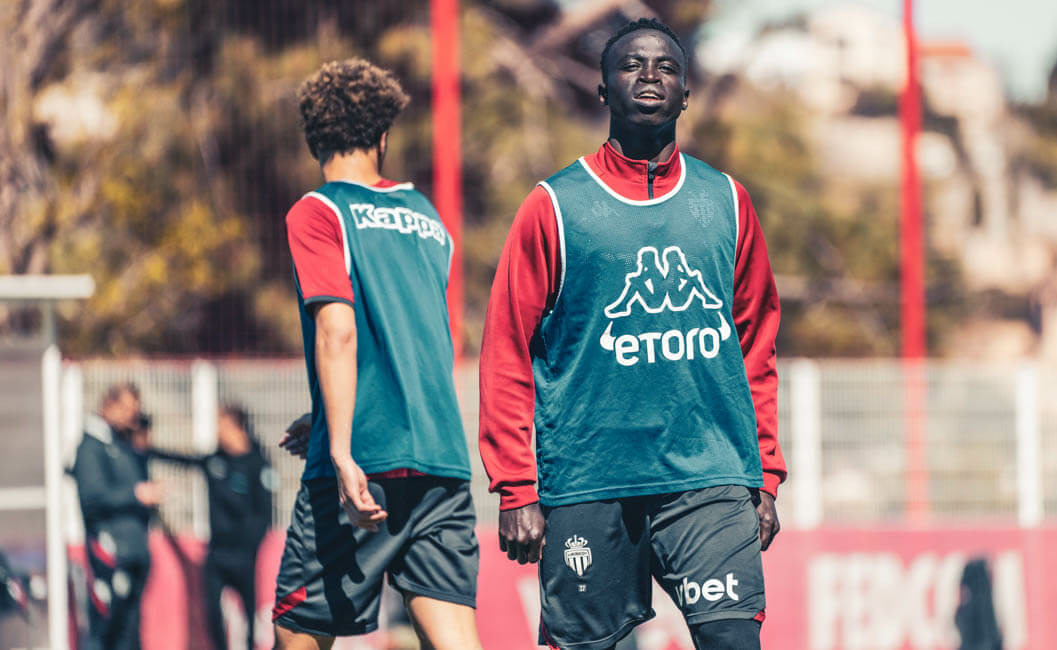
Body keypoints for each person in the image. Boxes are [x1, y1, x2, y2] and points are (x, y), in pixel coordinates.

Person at [478, 18, 786, 650]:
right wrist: (516, 487)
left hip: (709, 478)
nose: (650, 75)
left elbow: (757, 346)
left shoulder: (726, 201)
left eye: (667, 67)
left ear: (686, 95)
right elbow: (506, 349)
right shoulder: (554, 205)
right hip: (590, 481)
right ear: (602, 89)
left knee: (734, 640)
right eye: (631, 65)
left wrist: (764, 473)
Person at [272, 58, 482, 650]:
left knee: (296, 632)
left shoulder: (318, 211)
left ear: (313, 137)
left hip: (363, 459)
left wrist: (339, 448)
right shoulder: (427, 218)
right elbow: (410, 340)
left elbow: (339, 331)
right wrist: (326, 414)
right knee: (454, 635)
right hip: (441, 458)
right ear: (383, 136)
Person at [150, 404, 274, 650]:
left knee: (249, 614)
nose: (217, 431)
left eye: (222, 424)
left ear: (237, 427)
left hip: (244, 556)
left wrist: (250, 547)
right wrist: (146, 449)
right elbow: (182, 460)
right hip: (217, 553)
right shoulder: (215, 460)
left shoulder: (258, 464)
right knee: (212, 613)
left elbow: (265, 513)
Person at [72, 383, 162, 650]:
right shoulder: (91, 447)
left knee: (129, 630)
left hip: (134, 552)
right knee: (106, 628)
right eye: (126, 410)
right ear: (108, 405)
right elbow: (93, 497)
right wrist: (136, 494)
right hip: (110, 554)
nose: (131, 417)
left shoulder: (122, 444)